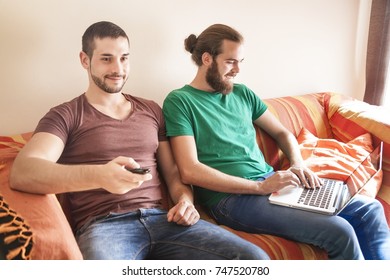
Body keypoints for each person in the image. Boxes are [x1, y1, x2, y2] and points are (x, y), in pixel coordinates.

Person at [9, 21, 270, 260]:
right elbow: (23, 172)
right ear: (84, 60)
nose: (118, 69)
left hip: (165, 221)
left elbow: (172, 173)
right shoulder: (66, 115)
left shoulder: (151, 110)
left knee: (254, 260)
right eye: (107, 59)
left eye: (124, 58)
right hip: (105, 227)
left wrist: (185, 201)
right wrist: (99, 175)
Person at [162, 23, 390, 260]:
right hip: (231, 199)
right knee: (339, 231)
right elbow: (189, 170)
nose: (238, 69)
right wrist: (260, 188)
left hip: (270, 183)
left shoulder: (242, 93)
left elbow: (282, 133)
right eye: (231, 61)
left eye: (241, 61)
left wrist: (298, 163)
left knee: (370, 210)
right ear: (207, 59)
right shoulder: (180, 101)